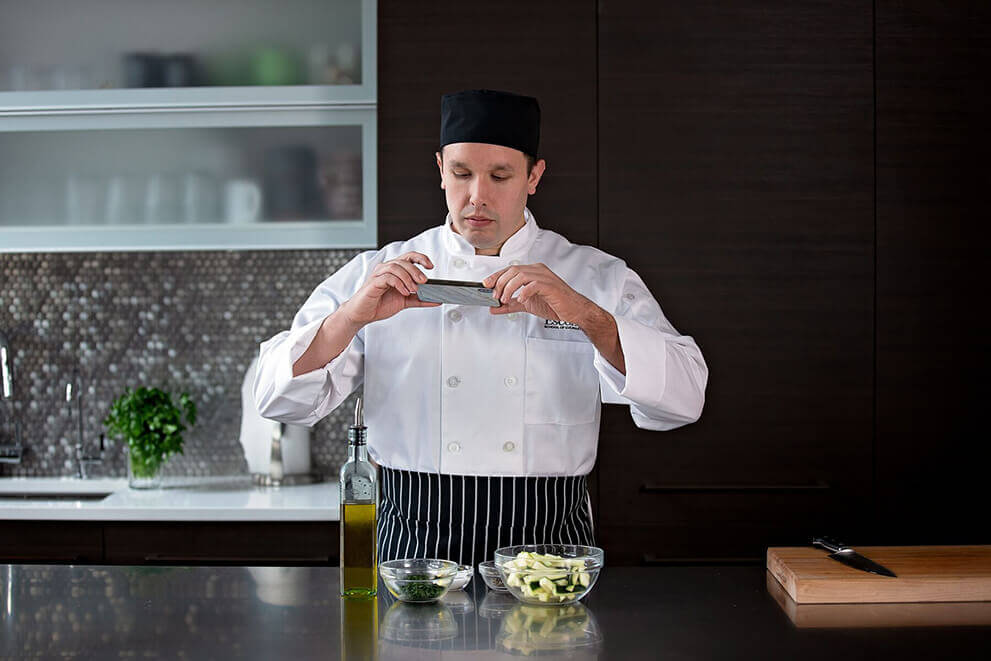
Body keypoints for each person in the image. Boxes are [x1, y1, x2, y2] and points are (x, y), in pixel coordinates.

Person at [255, 89, 708, 566]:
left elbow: (686, 397)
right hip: (414, 539)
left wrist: (588, 316)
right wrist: (350, 318)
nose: (477, 197)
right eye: (461, 173)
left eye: (499, 176)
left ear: (534, 176)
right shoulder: (379, 271)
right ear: (440, 169)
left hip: (548, 541)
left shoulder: (595, 276)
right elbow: (276, 398)